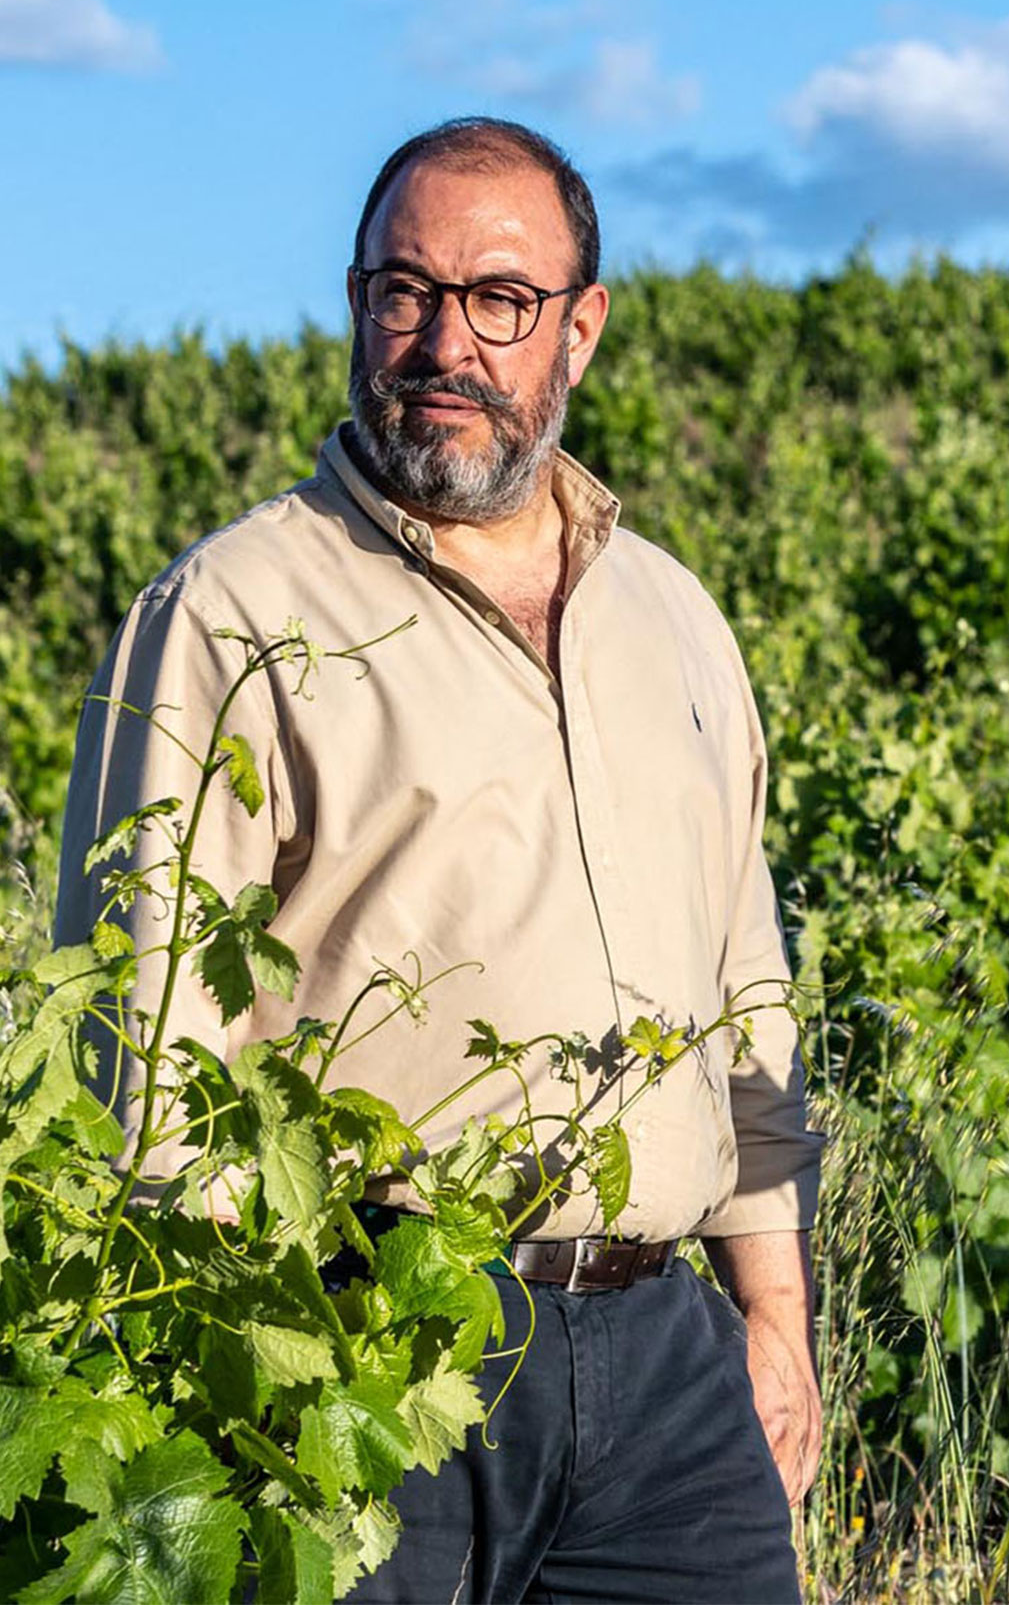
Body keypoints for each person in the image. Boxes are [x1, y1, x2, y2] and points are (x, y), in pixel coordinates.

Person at [55, 118, 823, 1603]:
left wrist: (775, 1319)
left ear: (581, 329)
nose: (442, 343)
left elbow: (746, 986)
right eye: (402, 291)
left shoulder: (674, 620)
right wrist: (223, 1382)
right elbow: (144, 1047)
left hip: (668, 1371)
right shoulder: (229, 612)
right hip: (365, 1349)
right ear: (358, 305)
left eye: (500, 300)